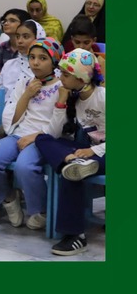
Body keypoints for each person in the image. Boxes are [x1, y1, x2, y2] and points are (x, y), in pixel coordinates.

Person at [0, 38, 64, 231]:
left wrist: (35, 137)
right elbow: (11, 118)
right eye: (32, 57)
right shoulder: (24, 82)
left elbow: (58, 127)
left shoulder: (61, 88)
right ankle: (9, 198)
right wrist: (26, 95)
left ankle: (41, 210)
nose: (35, 62)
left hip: (44, 139)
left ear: (54, 62)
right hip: (18, 134)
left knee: (25, 167)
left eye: (43, 58)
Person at [34, 49, 105, 255]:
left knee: (71, 174)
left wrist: (93, 151)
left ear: (81, 78)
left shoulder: (104, 96)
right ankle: (70, 161)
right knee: (42, 139)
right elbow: (53, 133)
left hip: (105, 152)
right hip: (82, 153)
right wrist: (60, 103)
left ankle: (75, 237)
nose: (60, 78)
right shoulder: (72, 97)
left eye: (65, 74)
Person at [0, 8, 30, 80]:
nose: (6, 23)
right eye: (4, 21)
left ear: (24, 24)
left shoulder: (29, 46)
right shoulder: (3, 46)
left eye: (12, 21)